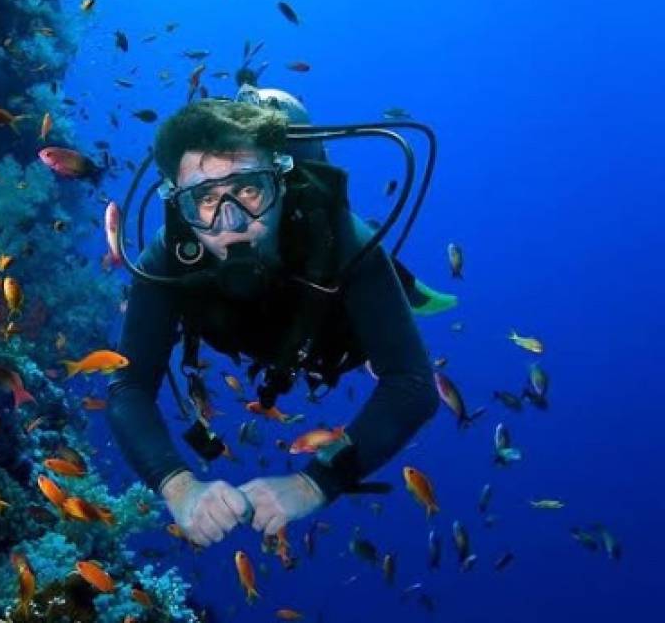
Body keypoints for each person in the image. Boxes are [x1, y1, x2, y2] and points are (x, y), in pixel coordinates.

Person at [106, 88, 448, 547]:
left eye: (250, 190)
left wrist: (313, 483)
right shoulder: (167, 258)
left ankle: (403, 287)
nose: (231, 221)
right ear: (179, 205)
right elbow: (128, 386)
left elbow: (413, 384)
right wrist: (178, 486)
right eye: (204, 199)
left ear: (281, 184)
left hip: (334, 338)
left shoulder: (341, 240)